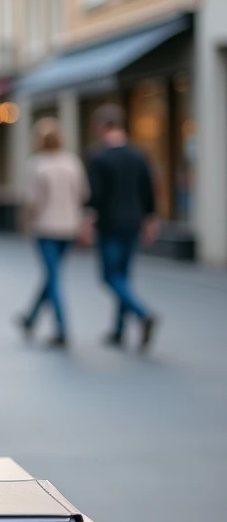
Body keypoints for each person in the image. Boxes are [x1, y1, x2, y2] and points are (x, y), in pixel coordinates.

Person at [84, 103, 160, 351]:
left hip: (110, 224)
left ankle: (141, 313)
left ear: (103, 127)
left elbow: (96, 196)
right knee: (124, 276)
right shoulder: (138, 155)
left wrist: (88, 221)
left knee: (110, 276)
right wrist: (150, 218)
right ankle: (118, 329)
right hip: (134, 221)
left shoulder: (100, 157)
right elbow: (148, 190)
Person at [16, 118, 88, 349]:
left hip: (46, 228)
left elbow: (32, 201)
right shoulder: (72, 162)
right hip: (68, 227)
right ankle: (30, 318)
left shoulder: (38, 164)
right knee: (53, 275)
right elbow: (83, 194)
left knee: (53, 277)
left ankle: (61, 329)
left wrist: (26, 223)